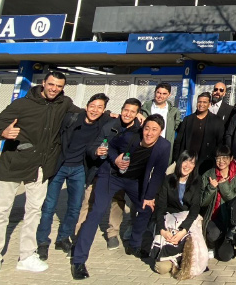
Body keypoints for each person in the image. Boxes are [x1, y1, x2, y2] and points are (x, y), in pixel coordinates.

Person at [0, 71, 80, 281]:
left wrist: (112, 115)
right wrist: (3, 134)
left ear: (63, 88)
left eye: (59, 86)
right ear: (43, 83)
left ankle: (26, 256)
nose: (54, 89)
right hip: (14, 165)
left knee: (33, 212)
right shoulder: (21, 105)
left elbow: (84, 115)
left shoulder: (64, 103)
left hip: (41, 167)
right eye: (51, 84)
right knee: (1, 213)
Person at [70, 114, 171, 280]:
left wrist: (149, 196)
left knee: (146, 209)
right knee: (97, 212)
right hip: (111, 177)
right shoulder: (130, 136)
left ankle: (134, 245)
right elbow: (110, 146)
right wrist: (115, 158)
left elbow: (159, 173)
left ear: (160, 132)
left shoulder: (163, 146)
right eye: (147, 128)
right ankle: (79, 260)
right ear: (142, 128)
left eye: (154, 130)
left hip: (134, 181)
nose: (149, 133)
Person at [37, 93, 112, 261]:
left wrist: (136, 114)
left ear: (104, 110)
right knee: (49, 206)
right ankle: (42, 242)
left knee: (75, 207)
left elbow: (122, 118)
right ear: (86, 106)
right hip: (60, 166)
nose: (95, 110)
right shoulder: (72, 119)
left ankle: (63, 238)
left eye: (100, 107)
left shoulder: (103, 122)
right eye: (92, 106)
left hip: (79, 168)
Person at [75, 98, 142, 251]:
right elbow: (92, 145)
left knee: (118, 201)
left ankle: (112, 233)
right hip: (101, 171)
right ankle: (80, 234)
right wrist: (96, 151)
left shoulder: (139, 131)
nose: (128, 114)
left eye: (132, 112)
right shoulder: (109, 126)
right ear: (121, 109)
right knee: (89, 201)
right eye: (126, 110)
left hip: (121, 174)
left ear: (137, 114)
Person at [153, 151, 206, 279]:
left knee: (192, 257)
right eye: (185, 161)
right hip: (170, 220)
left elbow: (195, 208)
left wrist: (183, 230)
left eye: (192, 163)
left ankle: (181, 257)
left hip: (187, 221)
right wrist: (162, 230)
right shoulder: (168, 179)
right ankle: (174, 259)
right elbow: (160, 207)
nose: (187, 165)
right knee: (161, 268)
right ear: (180, 162)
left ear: (194, 166)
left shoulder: (197, 181)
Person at [200, 146, 236, 261]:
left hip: (229, 219)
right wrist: (211, 188)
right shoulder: (208, 175)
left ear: (231, 158)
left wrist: (223, 186)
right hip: (213, 217)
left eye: (225, 158)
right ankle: (211, 245)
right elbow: (202, 202)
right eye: (218, 158)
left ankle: (225, 242)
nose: (221, 161)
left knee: (225, 256)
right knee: (213, 233)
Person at [173, 92, 225, 175]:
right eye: (199, 102)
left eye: (204, 102)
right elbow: (178, 140)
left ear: (209, 104)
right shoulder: (187, 120)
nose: (201, 104)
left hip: (206, 162)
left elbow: (220, 143)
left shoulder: (217, 121)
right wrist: (177, 158)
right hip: (187, 161)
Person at [141, 82, 182, 164]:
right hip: (146, 144)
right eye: (158, 93)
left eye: (164, 93)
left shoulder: (174, 111)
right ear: (155, 92)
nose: (160, 96)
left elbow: (179, 127)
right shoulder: (144, 108)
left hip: (163, 146)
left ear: (169, 95)